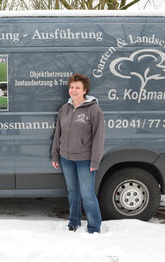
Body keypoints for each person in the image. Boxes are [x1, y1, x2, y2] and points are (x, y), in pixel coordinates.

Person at [51, 73, 105, 234]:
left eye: (77, 88)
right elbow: (58, 134)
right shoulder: (64, 109)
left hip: (85, 160)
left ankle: (94, 228)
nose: (73, 90)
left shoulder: (93, 109)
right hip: (66, 158)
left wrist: (95, 161)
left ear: (85, 90)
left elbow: (99, 137)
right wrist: (55, 155)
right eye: (72, 87)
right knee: (72, 193)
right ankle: (74, 222)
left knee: (87, 195)